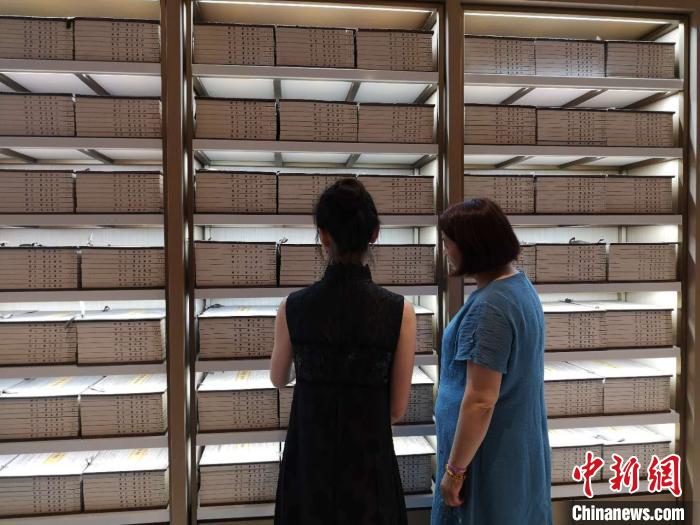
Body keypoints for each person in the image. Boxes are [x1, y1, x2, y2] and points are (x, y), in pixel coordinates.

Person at [270, 177, 416, 525]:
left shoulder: (293, 306)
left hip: (309, 465)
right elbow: (396, 409)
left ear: (323, 235)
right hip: (369, 468)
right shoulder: (400, 311)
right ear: (374, 233)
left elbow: (278, 378)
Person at [431, 198, 553, 525]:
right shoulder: (519, 288)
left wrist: (455, 472)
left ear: (472, 247)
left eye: (448, 242)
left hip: (487, 461)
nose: (446, 250)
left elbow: (481, 400)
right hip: (515, 451)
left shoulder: (490, 309)